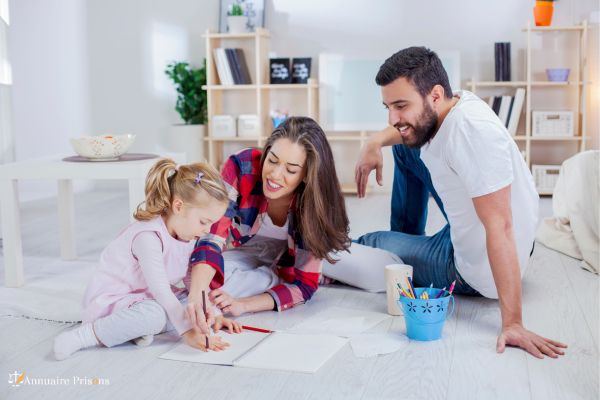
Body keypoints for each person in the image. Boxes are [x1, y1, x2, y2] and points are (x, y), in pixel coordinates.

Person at [331, 46, 567, 359]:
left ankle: (396, 256)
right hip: (489, 232)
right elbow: (404, 131)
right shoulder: (456, 103)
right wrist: (373, 142)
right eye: (388, 106)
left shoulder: (470, 134)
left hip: (474, 266)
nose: (392, 118)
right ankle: (408, 246)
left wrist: (513, 323)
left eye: (401, 105)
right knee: (405, 146)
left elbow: (501, 226)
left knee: (373, 243)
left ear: (435, 94)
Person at [53, 159, 241, 361]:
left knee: (186, 304)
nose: (207, 230)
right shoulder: (148, 237)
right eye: (204, 222)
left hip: (145, 298)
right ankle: (85, 336)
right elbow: (161, 290)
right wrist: (188, 332)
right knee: (157, 315)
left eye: (211, 224)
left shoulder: (188, 234)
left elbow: (190, 282)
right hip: (116, 299)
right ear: (178, 206)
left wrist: (212, 313)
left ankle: (131, 330)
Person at [184, 116, 351, 318]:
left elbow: (304, 286)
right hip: (243, 250)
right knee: (204, 280)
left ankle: (283, 276)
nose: (275, 175)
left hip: (294, 255)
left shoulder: (315, 204)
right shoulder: (242, 165)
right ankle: (276, 278)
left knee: (375, 278)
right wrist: (196, 294)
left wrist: (244, 304)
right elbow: (213, 235)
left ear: (307, 174)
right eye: (272, 160)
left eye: (290, 170)